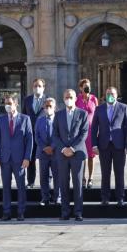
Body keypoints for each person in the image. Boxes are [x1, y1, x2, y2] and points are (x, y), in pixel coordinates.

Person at [0, 95, 33, 221]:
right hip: (5, 159)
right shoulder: (1, 120)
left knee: (21, 186)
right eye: (5, 103)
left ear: (16, 104)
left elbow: (29, 140)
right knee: (6, 186)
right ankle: (6, 212)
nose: (7, 106)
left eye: (10, 103)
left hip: (19, 159)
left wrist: (27, 157)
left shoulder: (25, 119)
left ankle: (21, 212)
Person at [91, 87, 127, 205]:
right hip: (104, 145)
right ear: (105, 95)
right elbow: (94, 128)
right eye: (108, 93)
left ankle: (120, 197)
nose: (110, 95)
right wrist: (94, 145)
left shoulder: (124, 107)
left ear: (116, 95)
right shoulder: (99, 109)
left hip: (119, 145)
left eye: (112, 94)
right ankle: (105, 197)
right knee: (105, 173)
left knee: (119, 172)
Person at [52, 89, 89, 221]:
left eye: (71, 97)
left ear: (75, 98)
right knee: (63, 183)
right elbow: (55, 134)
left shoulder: (83, 114)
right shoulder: (58, 115)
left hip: (77, 153)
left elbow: (84, 133)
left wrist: (72, 148)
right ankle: (65, 211)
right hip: (62, 154)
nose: (69, 99)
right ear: (63, 99)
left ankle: (78, 212)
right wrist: (63, 149)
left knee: (78, 183)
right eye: (66, 97)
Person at [22, 78, 48, 188]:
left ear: (43, 88)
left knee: (45, 160)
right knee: (30, 159)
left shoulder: (48, 100)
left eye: (39, 86)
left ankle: (46, 183)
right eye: (35, 86)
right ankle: (31, 182)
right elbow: (23, 116)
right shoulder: (27, 100)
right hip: (30, 135)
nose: (37, 88)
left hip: (44, 136)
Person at [35, 97, 60, 205]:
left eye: (50, 106)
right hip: (43, 153)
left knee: (57, 176)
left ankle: (57, 197)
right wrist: (45, 147)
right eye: (46, 106)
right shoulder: (39, 120)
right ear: (43, 108)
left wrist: (53, 147)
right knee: (44, 176)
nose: (48, 108)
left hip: (56, 152)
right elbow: (37, 136)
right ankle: (45, 198)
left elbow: (60, 135)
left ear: (54, 107)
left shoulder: (59, 120)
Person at [76, 78, 98, 189]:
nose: (87, 87)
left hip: (92, 130)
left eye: (88, 85)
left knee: (91, 155)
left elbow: (97, 114)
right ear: (80, 88)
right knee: (82, 155)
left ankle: (90, 178)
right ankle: (82, 178)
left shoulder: (94, 99)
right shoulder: (77, 99)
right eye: (85, 85)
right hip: (81, 131)